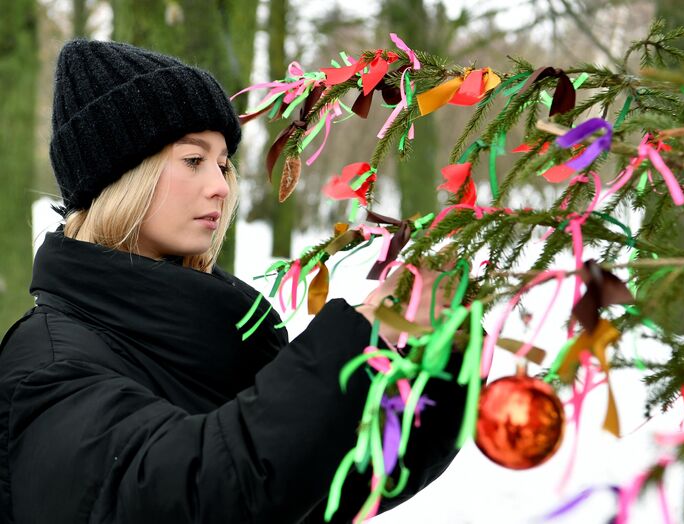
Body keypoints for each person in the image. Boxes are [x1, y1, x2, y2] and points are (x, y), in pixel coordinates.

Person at [0, 40, 464, 523]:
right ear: (121, 177)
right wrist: (359, 337)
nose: (221, 185)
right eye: (193, 160)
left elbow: (335, 480)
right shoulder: (50, 367)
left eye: (223, 164)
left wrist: (436, 357)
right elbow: (192, 493)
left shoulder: (212, 339)